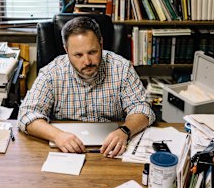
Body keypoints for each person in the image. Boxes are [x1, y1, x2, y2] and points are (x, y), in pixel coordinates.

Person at [18, 16, 155, 157]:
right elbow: (27, 114)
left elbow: (142, 108)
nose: (87, 61)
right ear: (66, 50)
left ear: (101, 44)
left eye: (92, 52)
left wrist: (125, 131)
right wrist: (57, 136)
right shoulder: (52, 72)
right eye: (78, 55)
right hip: (65, 150)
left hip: (113, 150)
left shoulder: (121, 68)